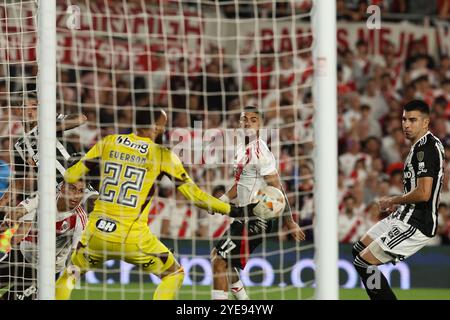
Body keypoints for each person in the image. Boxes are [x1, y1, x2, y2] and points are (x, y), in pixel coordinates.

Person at [55, 108, 256, 300]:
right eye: (162, 125)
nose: (163, 129)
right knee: (174, 273)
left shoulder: (108, 142)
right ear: (155, 127)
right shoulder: (162, 155)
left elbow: (71, 175)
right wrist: (233, 210)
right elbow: (196, 197)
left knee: (70, 274)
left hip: (96, 233)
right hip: (133, 238)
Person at [352, 100, 445, 300]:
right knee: (358, 251)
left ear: (426, 122)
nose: (406, 124)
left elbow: (423, 193)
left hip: (416, 223)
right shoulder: (420, 146)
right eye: (404, 119)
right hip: (403, 216)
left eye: (413, 120)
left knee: (363, 262)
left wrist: (393, 200)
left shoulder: (426, 149)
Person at [211, 106, 305, 300]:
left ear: (261, 124)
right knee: (224, 262)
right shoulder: (240, 149)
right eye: (244, 119)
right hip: (244, 214)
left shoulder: (259, 150)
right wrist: (221, 201)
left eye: (253, 120)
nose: (247, 123)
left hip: (257, 217)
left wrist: (290, 222)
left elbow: (277, 187)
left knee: (219, 262)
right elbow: (240, 183)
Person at [0, 92, 95, 261]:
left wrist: (51, 128)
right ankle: (17, 265)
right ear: (16, 111)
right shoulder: (19, 145)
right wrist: (3, 201)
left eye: (34, 107)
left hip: (75, 187)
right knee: (19, 232)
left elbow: (81, 118)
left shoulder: (49, 123)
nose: (30, 112)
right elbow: (25, 181)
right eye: (25, 107)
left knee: (93, 204)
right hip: (50, 196)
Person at [0, 179, 88, 300]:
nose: (76, 195)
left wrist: (69, 281)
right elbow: (21, 210)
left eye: (81, 191)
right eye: (72, 189)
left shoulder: (80, 219)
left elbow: (75, 254)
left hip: (45, 270)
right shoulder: (45, 197)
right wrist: (11, 219)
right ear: (62, 188)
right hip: (22, 254)